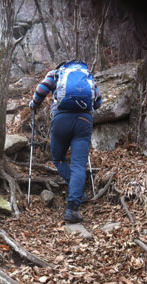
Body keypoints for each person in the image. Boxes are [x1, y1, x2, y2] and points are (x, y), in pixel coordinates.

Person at [29, 59, 102, 223]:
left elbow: (41, 89)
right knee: (78, 165)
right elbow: (98, 102)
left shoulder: (56, 73)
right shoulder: (87, 76)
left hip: (61, 119)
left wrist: (34, 104)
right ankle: (73, 207)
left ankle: (77, 190)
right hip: (84, 122)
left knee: (58, 158)